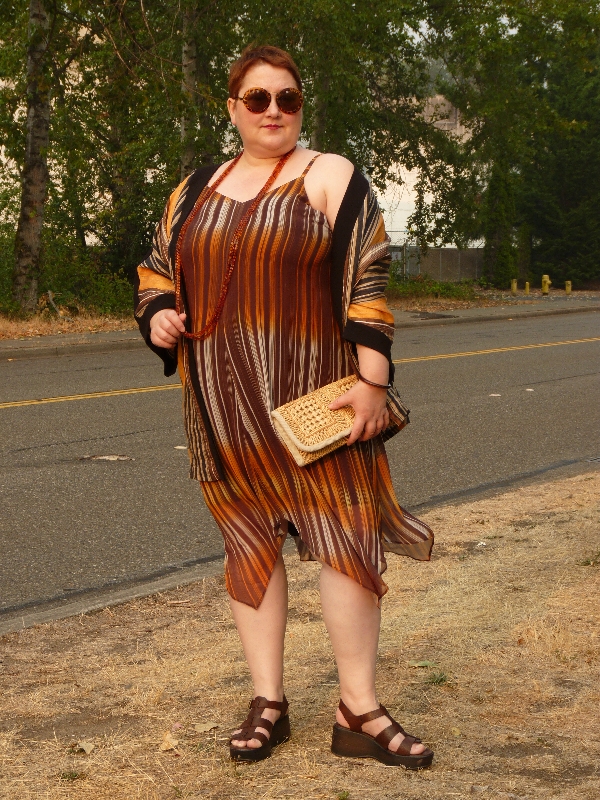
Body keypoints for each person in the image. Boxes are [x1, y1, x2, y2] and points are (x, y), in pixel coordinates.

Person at [134, 44, 434, 769]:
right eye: (258, 98)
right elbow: (156, 270)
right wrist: (159, 315)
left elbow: (367, 276)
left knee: (346, 538)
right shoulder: (195, 189)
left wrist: (373, 380)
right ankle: (267, 700)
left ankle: (358, 708)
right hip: (222, 405)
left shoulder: (328, 174)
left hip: (318, 402)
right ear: (233, 108)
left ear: (301, 106)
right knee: (249, 541)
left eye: (288, 98)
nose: (274, 111)